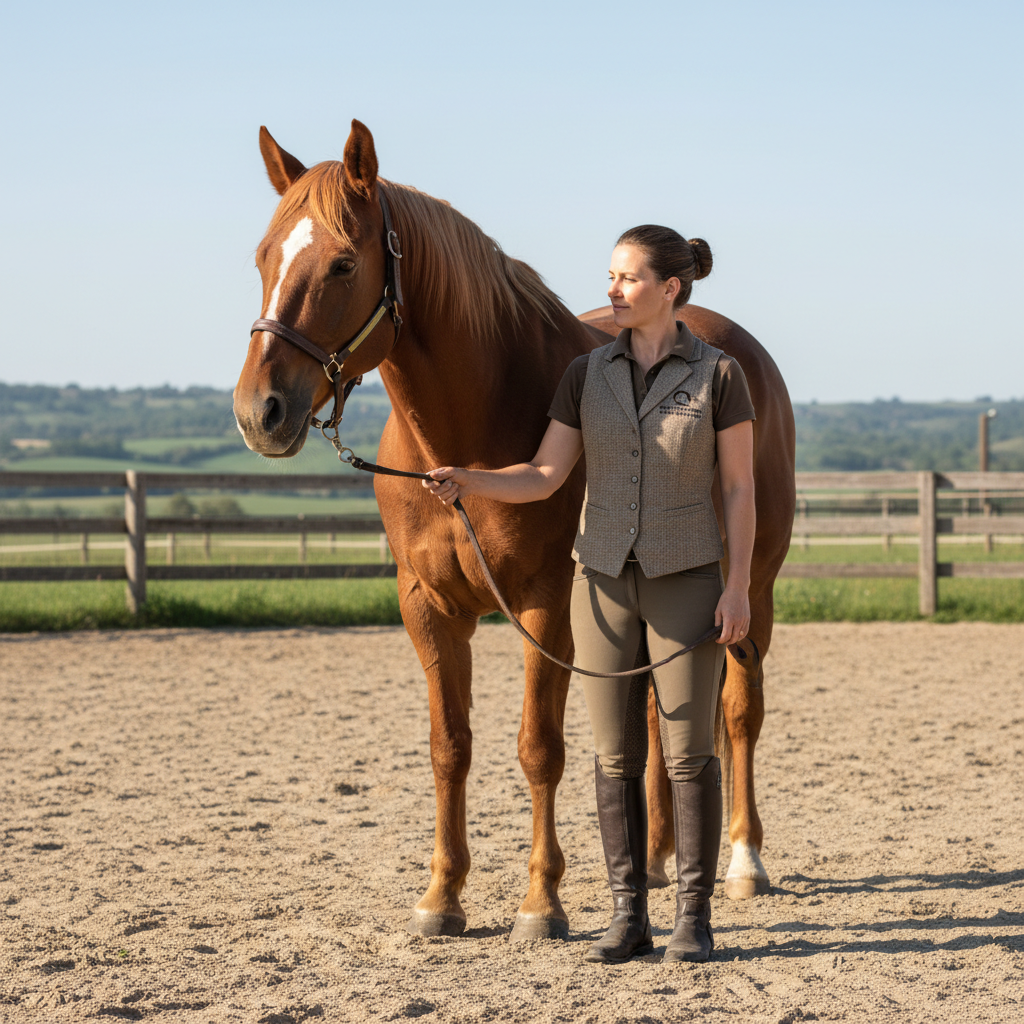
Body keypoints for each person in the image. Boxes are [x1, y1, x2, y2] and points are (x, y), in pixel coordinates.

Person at [422, 225, 755, 965]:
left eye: (628, 278)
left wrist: (736, 586)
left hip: (685, 576)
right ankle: (627, 914)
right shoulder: (585, 374)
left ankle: (692, 919)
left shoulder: (719, 376)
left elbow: (737, 488)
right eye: (610, 275)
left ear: (670, 289)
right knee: (613, 757)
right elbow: (543, 475)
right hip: (601, 583)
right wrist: (468, 479)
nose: (612, 290)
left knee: (687, 756)